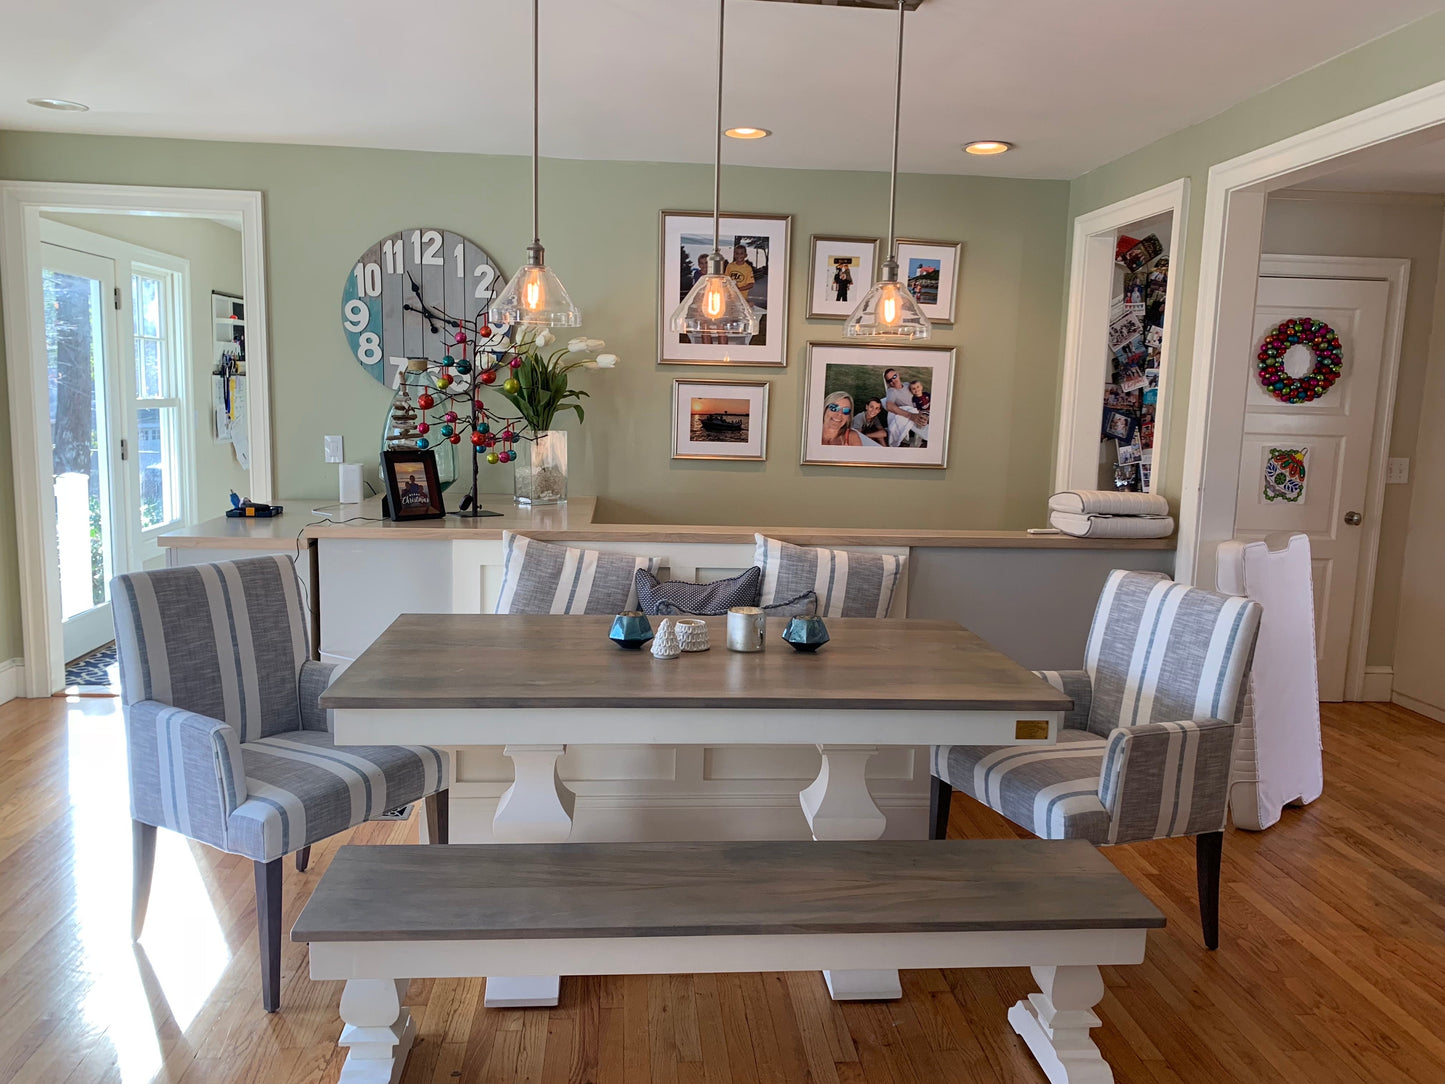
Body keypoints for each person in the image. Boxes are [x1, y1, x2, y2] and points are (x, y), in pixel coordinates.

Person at [881, 368, 924, 447]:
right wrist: (910, 415)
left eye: (894, 377)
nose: (893, 381)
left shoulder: (907, 384)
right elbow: (889, 406)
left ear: (898, 374)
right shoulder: (892, 391)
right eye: (890, 380)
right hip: (912, 412)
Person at [908, 379, 931, 446]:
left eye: (918, 387)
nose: (916, 389)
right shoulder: (915, 399)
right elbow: (917, 410)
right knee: (922, 421)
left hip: (931, 411)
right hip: (923, 413)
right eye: (913, 389)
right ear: (911, 391)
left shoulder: (926, 394)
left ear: (921, 387)